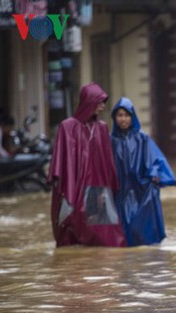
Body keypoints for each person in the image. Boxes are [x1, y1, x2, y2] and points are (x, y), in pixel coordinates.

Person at [48, 82, 126, 247]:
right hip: (72, 187)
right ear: (89, 101)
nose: (103, 106)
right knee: (71, 232)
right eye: (100, 102)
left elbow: (107, 161)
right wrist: (57, 181)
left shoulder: (102, 128)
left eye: (104, 102)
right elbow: (61, 159)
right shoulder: (67, 126)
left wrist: (111, 187)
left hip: (97, 190)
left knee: (105, 237)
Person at [110, 97, 176, 246]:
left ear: (132, 116)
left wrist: (156, 174)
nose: (123, 119)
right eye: (120, 115)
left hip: (140, 190)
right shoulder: (110, 141)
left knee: (141, 231)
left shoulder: (142, 139)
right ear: (114, 117)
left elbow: (155, 160)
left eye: (126, 115)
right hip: (118, 192)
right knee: (121, 232)